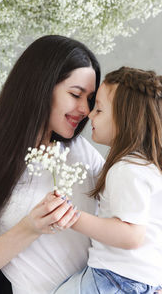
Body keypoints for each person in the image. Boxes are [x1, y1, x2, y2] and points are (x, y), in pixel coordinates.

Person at [0, 35, 104, 294]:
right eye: (75, 94)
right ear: (41, 86)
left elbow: (131, 219)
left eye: (91, 99)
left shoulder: (82, 153)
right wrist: (30, 228)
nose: (85, 109)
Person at [52, 66, 162, 294]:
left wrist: (71, 217)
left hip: (115, 279)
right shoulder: (147, 167)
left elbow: (131, 235)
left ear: (125, 119)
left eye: (99, 110)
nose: (90, 115)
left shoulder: (127, 169)